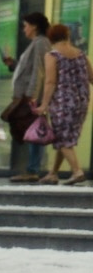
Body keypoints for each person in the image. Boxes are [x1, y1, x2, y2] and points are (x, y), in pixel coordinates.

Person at [37, 20, 89, 185]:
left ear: (51, 38)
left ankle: (77, 171)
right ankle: (53, 173)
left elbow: (51, 82)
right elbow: (92, 76)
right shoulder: (81, 54)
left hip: (63, 101)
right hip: (81, 101)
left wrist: (44, 104)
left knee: (61, 137)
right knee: (65, 136)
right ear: (67, 36)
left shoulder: (52, 55)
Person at [0, 12, 51, 179]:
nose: (24, 30)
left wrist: (32, 95)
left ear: (34, 26)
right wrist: (13, 64)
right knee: (29, 128)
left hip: (31, 96)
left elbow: (39, 70)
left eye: (26, 25)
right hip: (27, 95)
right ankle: (32, 168)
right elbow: (29, 69)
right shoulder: (35, 43)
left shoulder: (41, 43)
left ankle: (33, 169)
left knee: (34, 129)